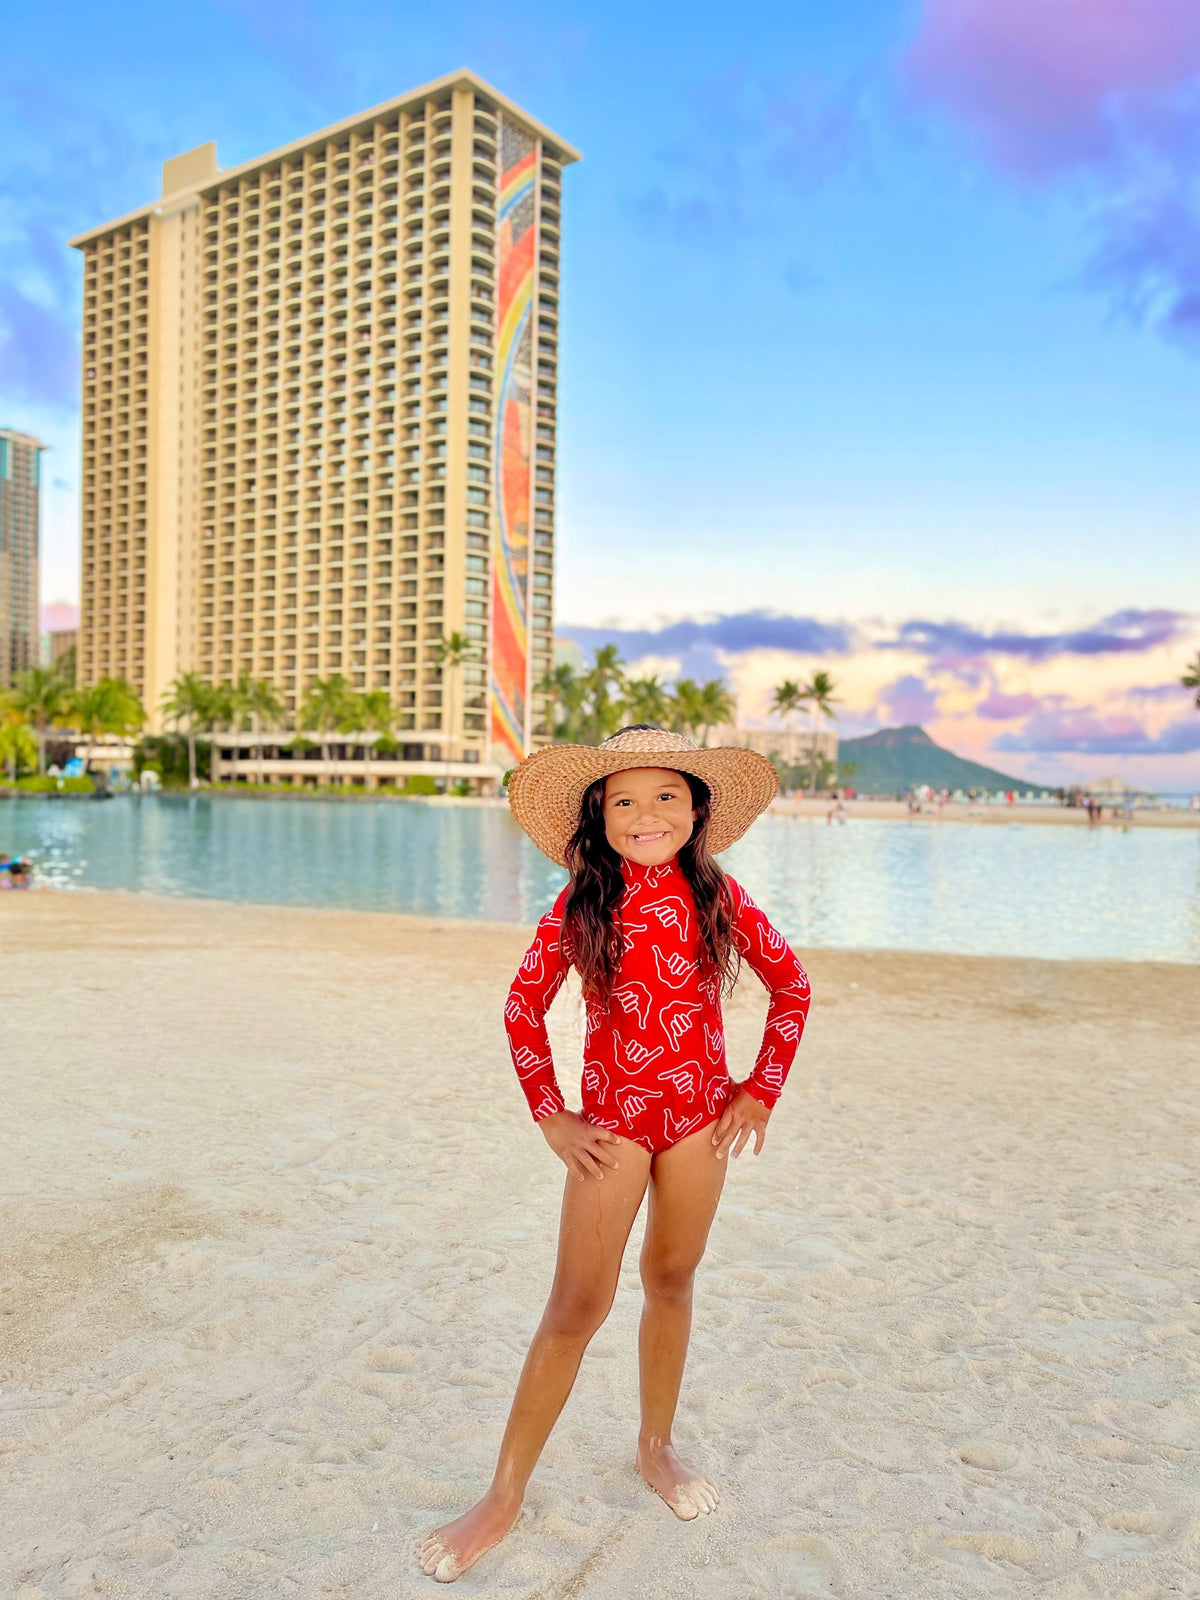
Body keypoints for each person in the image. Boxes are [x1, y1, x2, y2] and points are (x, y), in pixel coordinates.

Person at [418, 725, 811, 1584]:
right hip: (617, 1126)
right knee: (575, 1306)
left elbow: (793, 985)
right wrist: (551, 1116)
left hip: (702, 1120)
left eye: (666, 795)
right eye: (623, 800)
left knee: (672, 1280)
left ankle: (656, 1448)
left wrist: (761, 1089)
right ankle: (503, 1497)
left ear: (697, 808)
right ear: (599, 817)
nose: (646, 813)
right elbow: (523, 1011)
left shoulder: (720, 897)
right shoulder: (579, 904)